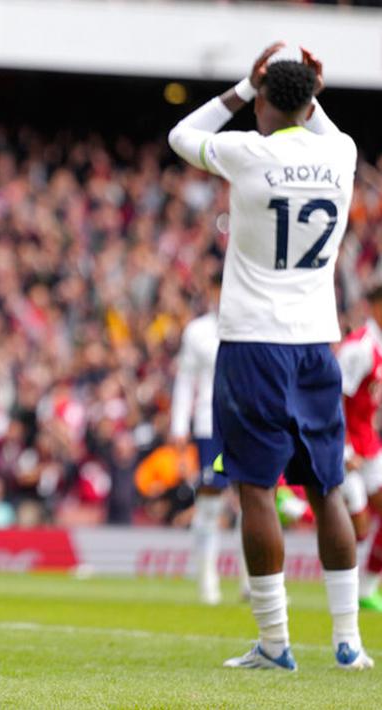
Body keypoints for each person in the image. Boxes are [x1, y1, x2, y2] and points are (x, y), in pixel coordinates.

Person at [169, 42, 371, 670]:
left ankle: (276, 644)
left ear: (262, 101)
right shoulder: (342, 152)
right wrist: (308, 85)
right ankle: (348, 642)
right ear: (312, 100)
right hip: (316, 342)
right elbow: (318, 117)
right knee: (329, 488)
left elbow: (182, 133)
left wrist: (241, 86)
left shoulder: (246, 152)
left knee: (256, 490)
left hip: (254, 342)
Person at [170, 272, 234, 605]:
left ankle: (255, 580)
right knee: (211, 499)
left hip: (246, 424)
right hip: (211, 425)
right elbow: (185, 380)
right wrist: (179, 424)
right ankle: (207, 576)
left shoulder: (250, 326)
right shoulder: (197, 331)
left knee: (254, 495)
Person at [336, 283, 382, 611]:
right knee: (359, 526)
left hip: (369, 443)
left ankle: (367, 589)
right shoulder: (360, 348)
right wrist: (344, 449)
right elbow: (333, 398)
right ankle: (345, 596)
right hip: (347, 448)